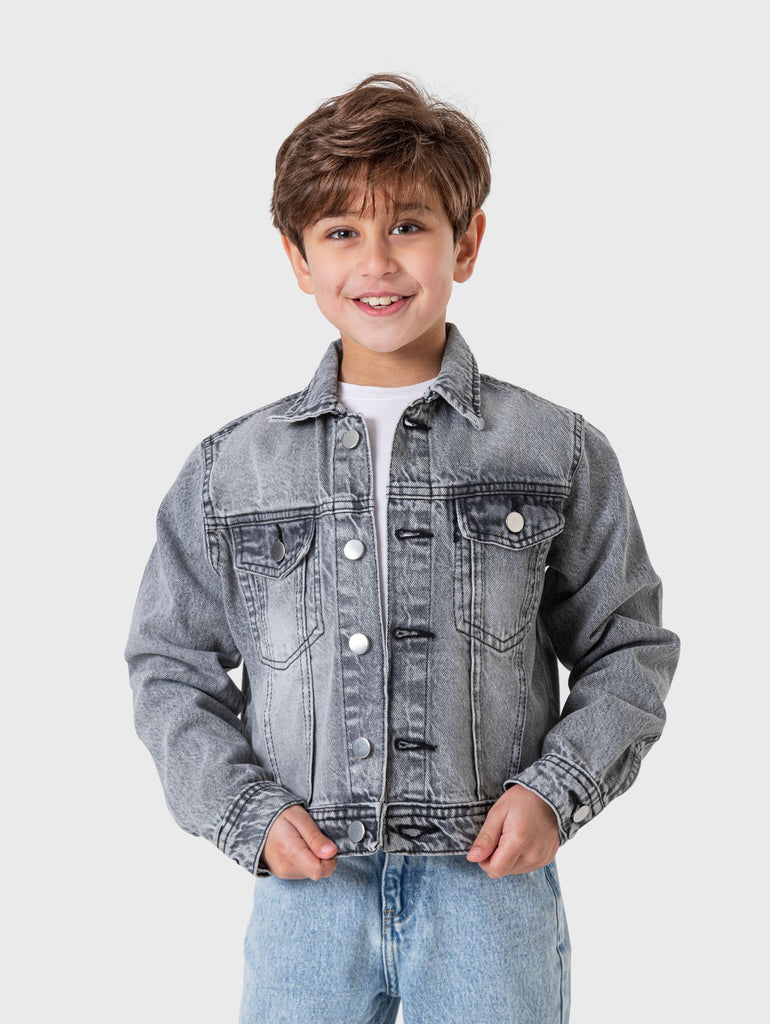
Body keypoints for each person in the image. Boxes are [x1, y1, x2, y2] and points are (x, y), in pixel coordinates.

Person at [125, 72, 680, 1024]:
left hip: (489, 895)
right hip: (308, 897)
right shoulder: (230, 471)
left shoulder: (555, 451)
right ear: (298, 258)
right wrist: (246, 813)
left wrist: (557, 792)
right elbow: (168, 664)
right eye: (341, 232)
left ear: (467, 242)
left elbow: (628, 646)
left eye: (409, 226)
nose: (376, 262)